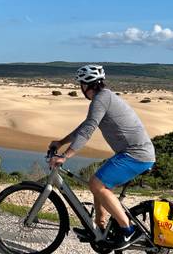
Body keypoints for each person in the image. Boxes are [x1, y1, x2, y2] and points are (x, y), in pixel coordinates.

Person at [48, 64, 155, 249]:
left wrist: (65, 156)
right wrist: (61, 142)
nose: (80, 88)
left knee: (97, 184)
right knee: (98, 182)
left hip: (136, 155)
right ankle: (100, 227)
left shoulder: (101, 99)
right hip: (132, 153)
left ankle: (128, 230)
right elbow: (85, 126)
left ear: (86, 85)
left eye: (81, 84)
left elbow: (88, 131)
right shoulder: (104, 98)